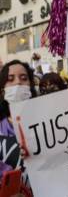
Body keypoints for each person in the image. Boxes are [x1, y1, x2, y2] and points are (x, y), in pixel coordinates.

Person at [0, 59, 37, 193]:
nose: (17, 82)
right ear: (3, 90)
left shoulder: (46, 123)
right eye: (10, 79)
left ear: (31, 86)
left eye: (23, 78)